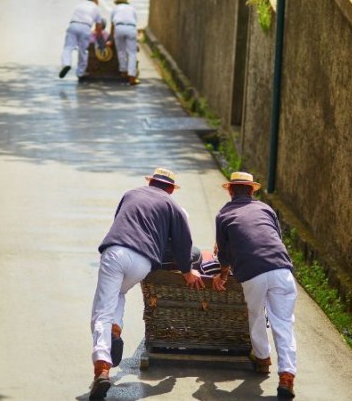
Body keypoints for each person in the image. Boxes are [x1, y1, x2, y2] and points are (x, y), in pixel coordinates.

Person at [89, 168, 205, 400]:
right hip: (143, 262)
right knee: (120, 293)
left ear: (150, 182)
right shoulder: (173, 207)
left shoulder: (130, 194)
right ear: (171, 189)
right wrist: (186, 271)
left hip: (116, 252)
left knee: (102, 309)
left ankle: (102, 367)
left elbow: (119, 223)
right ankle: (115, 328)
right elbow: (185, 243)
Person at [212, 171, 298, 399]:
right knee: (284, 324)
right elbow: (275, 237)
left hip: (252, 273)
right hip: (281, 269)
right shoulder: (266, 209)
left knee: (257, 315)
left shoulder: (223, 215)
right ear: (251, 190)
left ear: (230, 190)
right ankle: (287, 376)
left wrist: (222, 275)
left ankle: (262, 359)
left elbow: (223, 254)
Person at [60, 0, 103, 80]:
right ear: (95, 2)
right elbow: (98, 27)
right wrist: (100, 41)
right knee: (83, 51)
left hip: (73, 25)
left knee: (68, 48)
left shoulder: (79, 5)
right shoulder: (97, 8)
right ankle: (80, 73)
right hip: (86, 28)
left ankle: (66, 64)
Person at [109, 0, 139, 85]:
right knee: (132, 53)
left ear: (117, 3)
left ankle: (123, 71)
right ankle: (132, 77)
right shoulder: (132, 8)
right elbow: (135, 22)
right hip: (131, 28)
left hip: (119, 28)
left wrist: (111, 39)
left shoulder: (115, 9)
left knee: (121, 51)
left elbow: (112, 25)